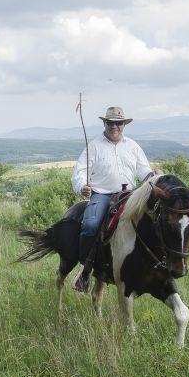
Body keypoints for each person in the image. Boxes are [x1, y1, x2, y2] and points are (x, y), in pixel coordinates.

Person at [70, 106, 159, 291]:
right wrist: (82, 187)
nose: (114, 126)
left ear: (123, 125)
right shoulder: (94, 146)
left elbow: (143, 171)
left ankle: (153, 264)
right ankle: (85, 271)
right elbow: (79, 172)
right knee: (90, 225)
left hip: (130, 195)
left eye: (118, 123)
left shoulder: (133, 146)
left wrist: (152, 174)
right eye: (110, 123)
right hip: (102, 194)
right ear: (105, 123)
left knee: (153, 220)